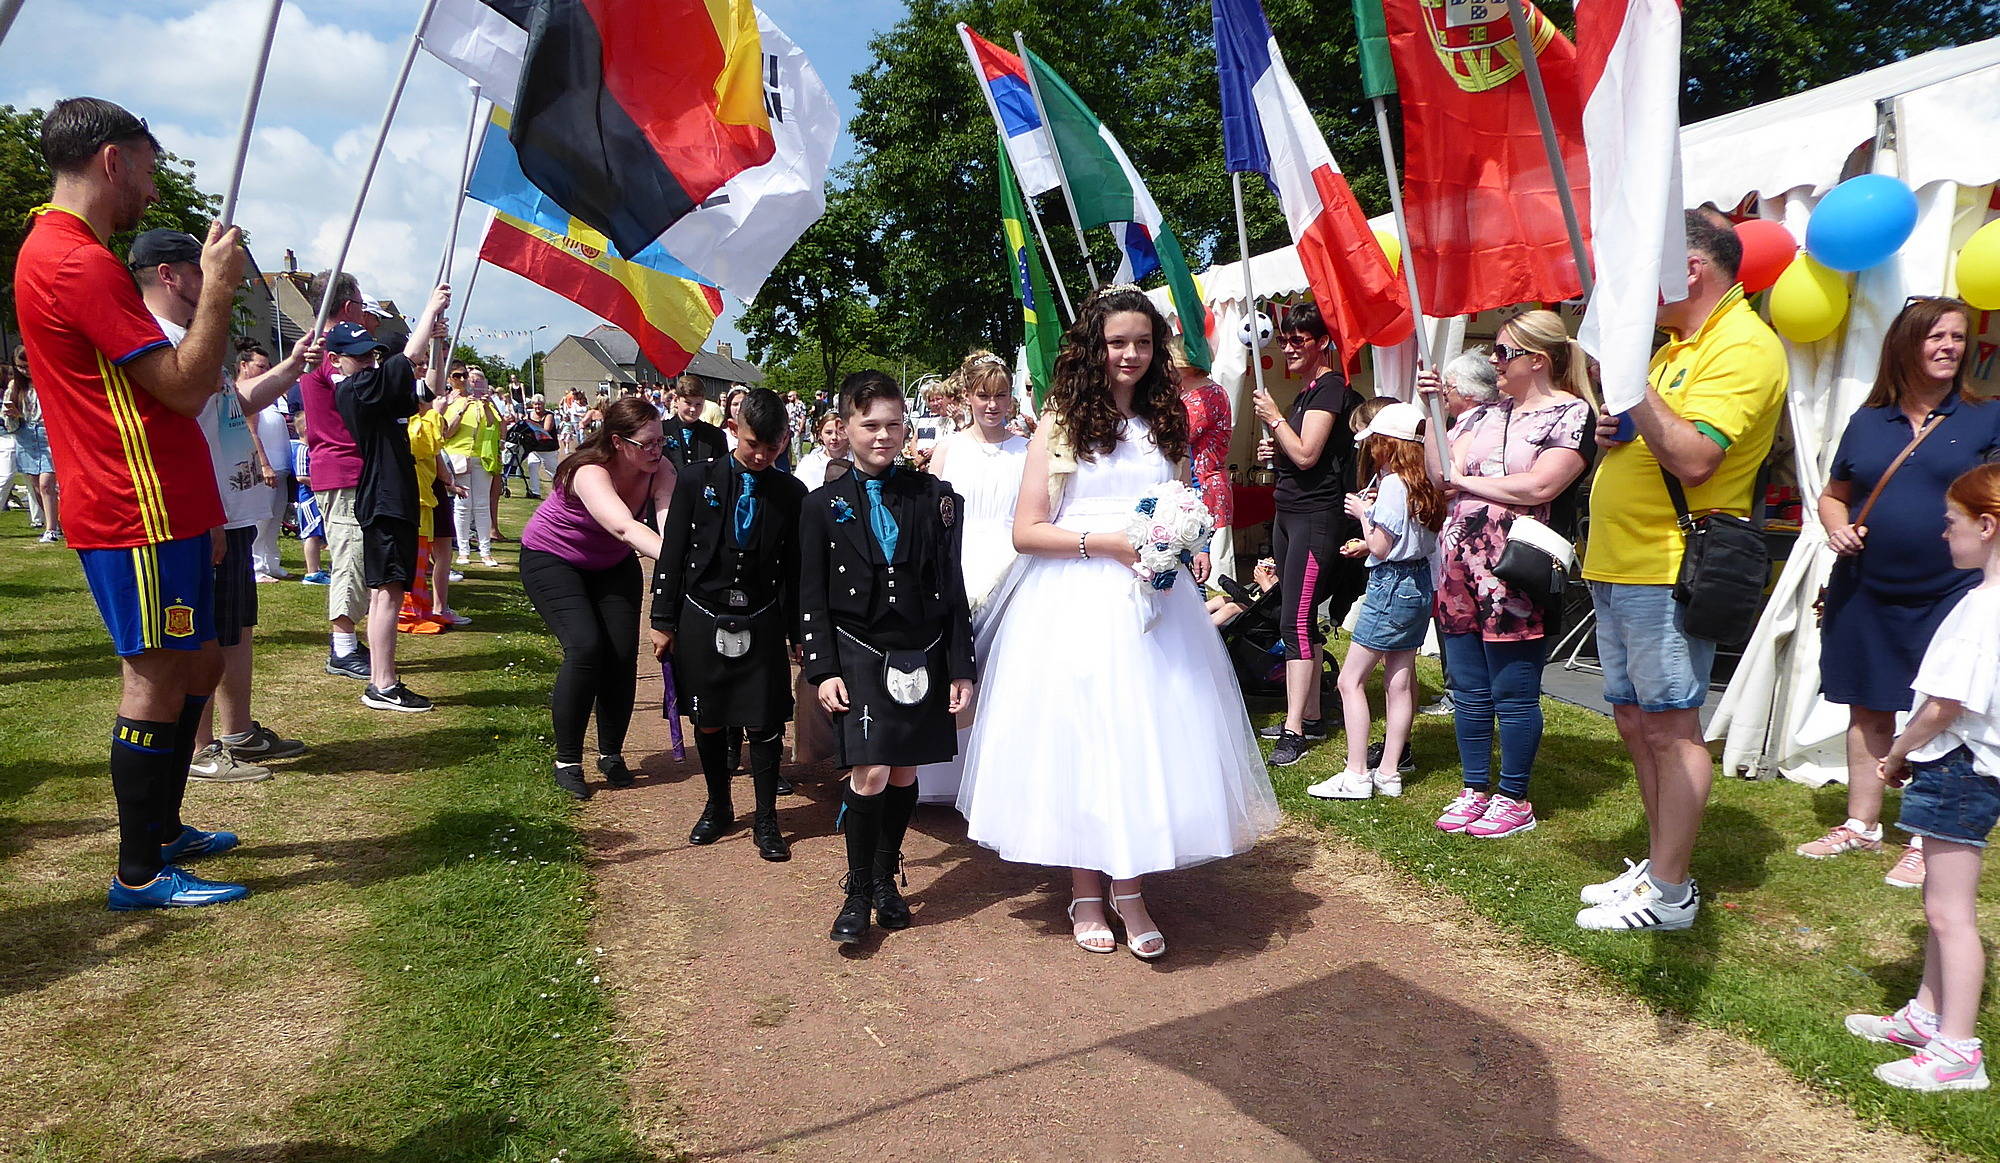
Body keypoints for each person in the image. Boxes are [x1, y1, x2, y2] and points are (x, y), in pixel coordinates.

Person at [956, 286, 1280, 961]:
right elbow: (1026, 531)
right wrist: (1102, 543)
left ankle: (1129, 887)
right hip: (1072, 602)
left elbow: (1180, 498)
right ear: (1093, 348)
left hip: (1155, 607)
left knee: (1143, 740)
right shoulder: (1060, 423)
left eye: (1141, 341)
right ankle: (1084, 886)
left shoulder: (1167, 421)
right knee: (1086, 741)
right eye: (1116, 342)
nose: (1129, 354)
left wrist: (1185, 544)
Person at [14, 96, 249, 909]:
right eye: (146, 171)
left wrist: (207, 511)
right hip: (132, 507)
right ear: (112, 161)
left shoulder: (73, 252)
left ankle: (164, 826)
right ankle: (140, 869)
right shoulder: (75, 261)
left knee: (201, 660)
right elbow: (184, 387)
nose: (152, 192)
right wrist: (216, 288)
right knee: (153, 676)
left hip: (164, 503)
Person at [1576, 210, 1789, 932]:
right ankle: (1661, 865)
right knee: (1638, 720)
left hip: (1665, 564)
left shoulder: (1745, 345)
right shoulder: (1676, 345)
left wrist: (1634, 388)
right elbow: (1656, 438)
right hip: (1622, 560)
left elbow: (1697, 458)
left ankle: (1670, 891)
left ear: (1691, 268)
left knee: (1671, 725)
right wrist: (1617, 428)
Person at [1796, 297, 2000, 888]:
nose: (1949, 347)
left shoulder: (1985, 419)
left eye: (1958, 338)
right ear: (1905, 345)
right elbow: (1836, 491)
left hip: (1950, 591)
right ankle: (1861, 824)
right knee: (1868, 702)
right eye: (1936, 336)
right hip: (1866, 586)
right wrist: (1836, 524)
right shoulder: (1868, 421)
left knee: (1939, 711)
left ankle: (1922, 837)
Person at [129, 228, 316, 781]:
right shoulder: (157, 341)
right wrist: (205, 512)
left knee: (234, 629)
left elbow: (234, 404)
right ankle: (200, 747)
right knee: (202, 635)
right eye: (203, 268)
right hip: (200, 515)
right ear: (171, 274)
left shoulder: (193, 335)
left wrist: (290, 368)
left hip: (231, 511)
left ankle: (238, 731)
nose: (221, 279)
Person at [798, 371, 976, 945]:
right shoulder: (822, 506)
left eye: (893, 424)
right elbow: (810, 593)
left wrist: (961, 667)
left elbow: (952, 588)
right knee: (869, 770)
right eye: (868, 425)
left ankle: (884, 877)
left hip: (921, 651)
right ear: (844, 427)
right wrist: (821, 669)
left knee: (903, 770)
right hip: (856, 649)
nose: (882, 436)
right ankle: (855, 891)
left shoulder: (936, 499)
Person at [1843, 462, 2000, 1091]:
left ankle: (1959, 1049)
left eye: (1952, 523)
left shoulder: (1982, 609)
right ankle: (1928, 1015)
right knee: (1941, 900)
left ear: (1987, 526)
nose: (1944, 535)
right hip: (1962, 765)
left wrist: (1896, 752)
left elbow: (1945, 704)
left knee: (1948, 913)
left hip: (1959, 768)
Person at [1423, 311, 1594, 839]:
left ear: (1536, 360)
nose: (1492, 362)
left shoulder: (1571, 413)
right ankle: (1476, 787)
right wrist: (1431, 413)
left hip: (1516, 565)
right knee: (1469, 686)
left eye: (1502, 353)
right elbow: (1437, 476)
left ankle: (1513, 795)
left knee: (1514, 690)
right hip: (1459, 564)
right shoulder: (1478, 418)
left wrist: (1467, 485)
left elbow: (1542, 487)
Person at [651, 389, 804, 855]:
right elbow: (672, 552)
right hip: (700, 614)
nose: (761, 455)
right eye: (753, 443)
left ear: (785, 441)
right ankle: (718, 807)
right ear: (734, 430)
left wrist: (797, 632)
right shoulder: (697, 480)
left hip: (761, 619)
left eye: (773, 447)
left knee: (763, 723)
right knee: (710, 719)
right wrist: (662, 618)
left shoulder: (791, 492)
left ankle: (766, 819)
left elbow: (795, 570)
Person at [522, 397, 676, 799]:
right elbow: (624, 527)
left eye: (662, 441)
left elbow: (668, 525)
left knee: (622, 654)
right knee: (586, 647)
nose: (657, 450)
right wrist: (682, 563)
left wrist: (683, 558)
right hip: (552, 559)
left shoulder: (661, 469)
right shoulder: (589, 471)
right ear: (618, 441)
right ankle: (568, 759)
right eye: (648, 444)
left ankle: (611, 754)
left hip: (611, 565)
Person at [1308, 401, 1445, 802]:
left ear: (1389, 444)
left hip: (1391, 583)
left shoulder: (1392, 485)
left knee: (1351, 681)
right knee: (1400, 680)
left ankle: (1355, 773)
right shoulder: (1427, 481)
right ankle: (1388, 772)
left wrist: (1364, 515)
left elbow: (1383, 547)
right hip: (1419, 583)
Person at [326, 284, 453, 713]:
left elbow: (428, 388)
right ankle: (382, 683)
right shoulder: (355, 390)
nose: (366, 361)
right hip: (383, 498)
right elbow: (406, 361)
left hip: (393, 495)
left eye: (369, 355)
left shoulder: (377, 386)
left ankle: (384, 681)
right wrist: (428, 309)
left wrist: (436, 345)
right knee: (387, 593)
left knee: (390, 591)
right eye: (357, 356)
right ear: (337, 360)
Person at [915, 351, 1031, 805]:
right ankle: (947, 776)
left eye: (1001, 395)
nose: (992, 404)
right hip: (957, 562)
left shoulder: (1025, 449)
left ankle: (999, 781)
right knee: (955, 670)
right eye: (983, 395)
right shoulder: (950, 448)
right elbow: (931, 516)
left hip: (1013, 565)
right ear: (968, 396)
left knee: (1005, 672)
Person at [1254, 303, 1361, 767]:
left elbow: (1306, 454)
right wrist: (1273, 445)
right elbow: (1295, 455)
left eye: (1299, 339)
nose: (1288, 347)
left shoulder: (1330, 388)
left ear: (1322, 342)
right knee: (1299, 614)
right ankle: (1312, 715)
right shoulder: (1307, 392)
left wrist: (1277, 421)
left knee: (1294, 620)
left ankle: (1295, 730)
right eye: (1284, 339)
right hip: (1289, 512)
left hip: (1315, 517)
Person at [299, 266, 387, 679]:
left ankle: (351, 640)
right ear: (348, 306)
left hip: (354, 468)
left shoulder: (322, 350)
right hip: (342, 470)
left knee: (360, 554)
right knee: (350, 555)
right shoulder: (324, 353)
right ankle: (343, 645)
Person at [236, 344, 294, 581]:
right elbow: (251, 432)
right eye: (260, 366)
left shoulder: (268, 396)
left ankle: (271, 562)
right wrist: (264, 465)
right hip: (264, 469)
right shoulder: (247, 395)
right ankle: (256, 566)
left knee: (274, 519)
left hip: (280, 470)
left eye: (267, 366)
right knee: (260, 521)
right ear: (244, 365)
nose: (265, 370)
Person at [1176, 343, 1231, 582]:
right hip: (1194, 488)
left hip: (1202, 488)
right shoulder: (1191, 393)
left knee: (1195, 578)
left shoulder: (1206, 395)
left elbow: (1174, 436)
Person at [441, 368, 502, 567]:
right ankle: (463, 550)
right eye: (457, 376)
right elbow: (447, 432)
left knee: (482, 505)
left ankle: (485, 552)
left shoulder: (484, 402)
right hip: (459, 456)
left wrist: (486, 406)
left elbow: (497, 427)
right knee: (462, 506)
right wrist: (461, 408)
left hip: (481, 457)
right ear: (450, 379)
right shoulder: (449, 401)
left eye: (466, 376)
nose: (464, 380)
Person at [5, 365, 61, 542]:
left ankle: (51, 530)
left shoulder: (47, 381)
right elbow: (7, 420)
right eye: (20, 367)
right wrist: (13, 414)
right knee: (36, 486)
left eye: (27, 365)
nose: (25, 370)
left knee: (46, 484)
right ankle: (55, 524)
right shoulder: (15, 387)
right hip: (25, 438)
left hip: (46, 436)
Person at [663, 375, 727, 469]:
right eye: (688, 403)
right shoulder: (662, 431)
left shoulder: (716, 435)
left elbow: (722, 471)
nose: (693, 409)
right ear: (676, 400)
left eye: (698, 404)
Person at [514, 397, 562, 498]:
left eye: (539, 404)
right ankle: (535, 492)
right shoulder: (529, 415)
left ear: (543, 405)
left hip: (548, 449)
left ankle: (561, 491)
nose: (537, 406)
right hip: (534, 448)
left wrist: (531, 427)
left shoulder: (549, 415)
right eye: (535, 404)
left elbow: (546, 430)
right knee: (532, 467)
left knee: (552, 471)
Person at [793, 409, 850, 489]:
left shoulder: (857, 462)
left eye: (838, 433)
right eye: (828, 433)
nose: (834, 437)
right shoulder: (809, 463)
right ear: (820, 435)